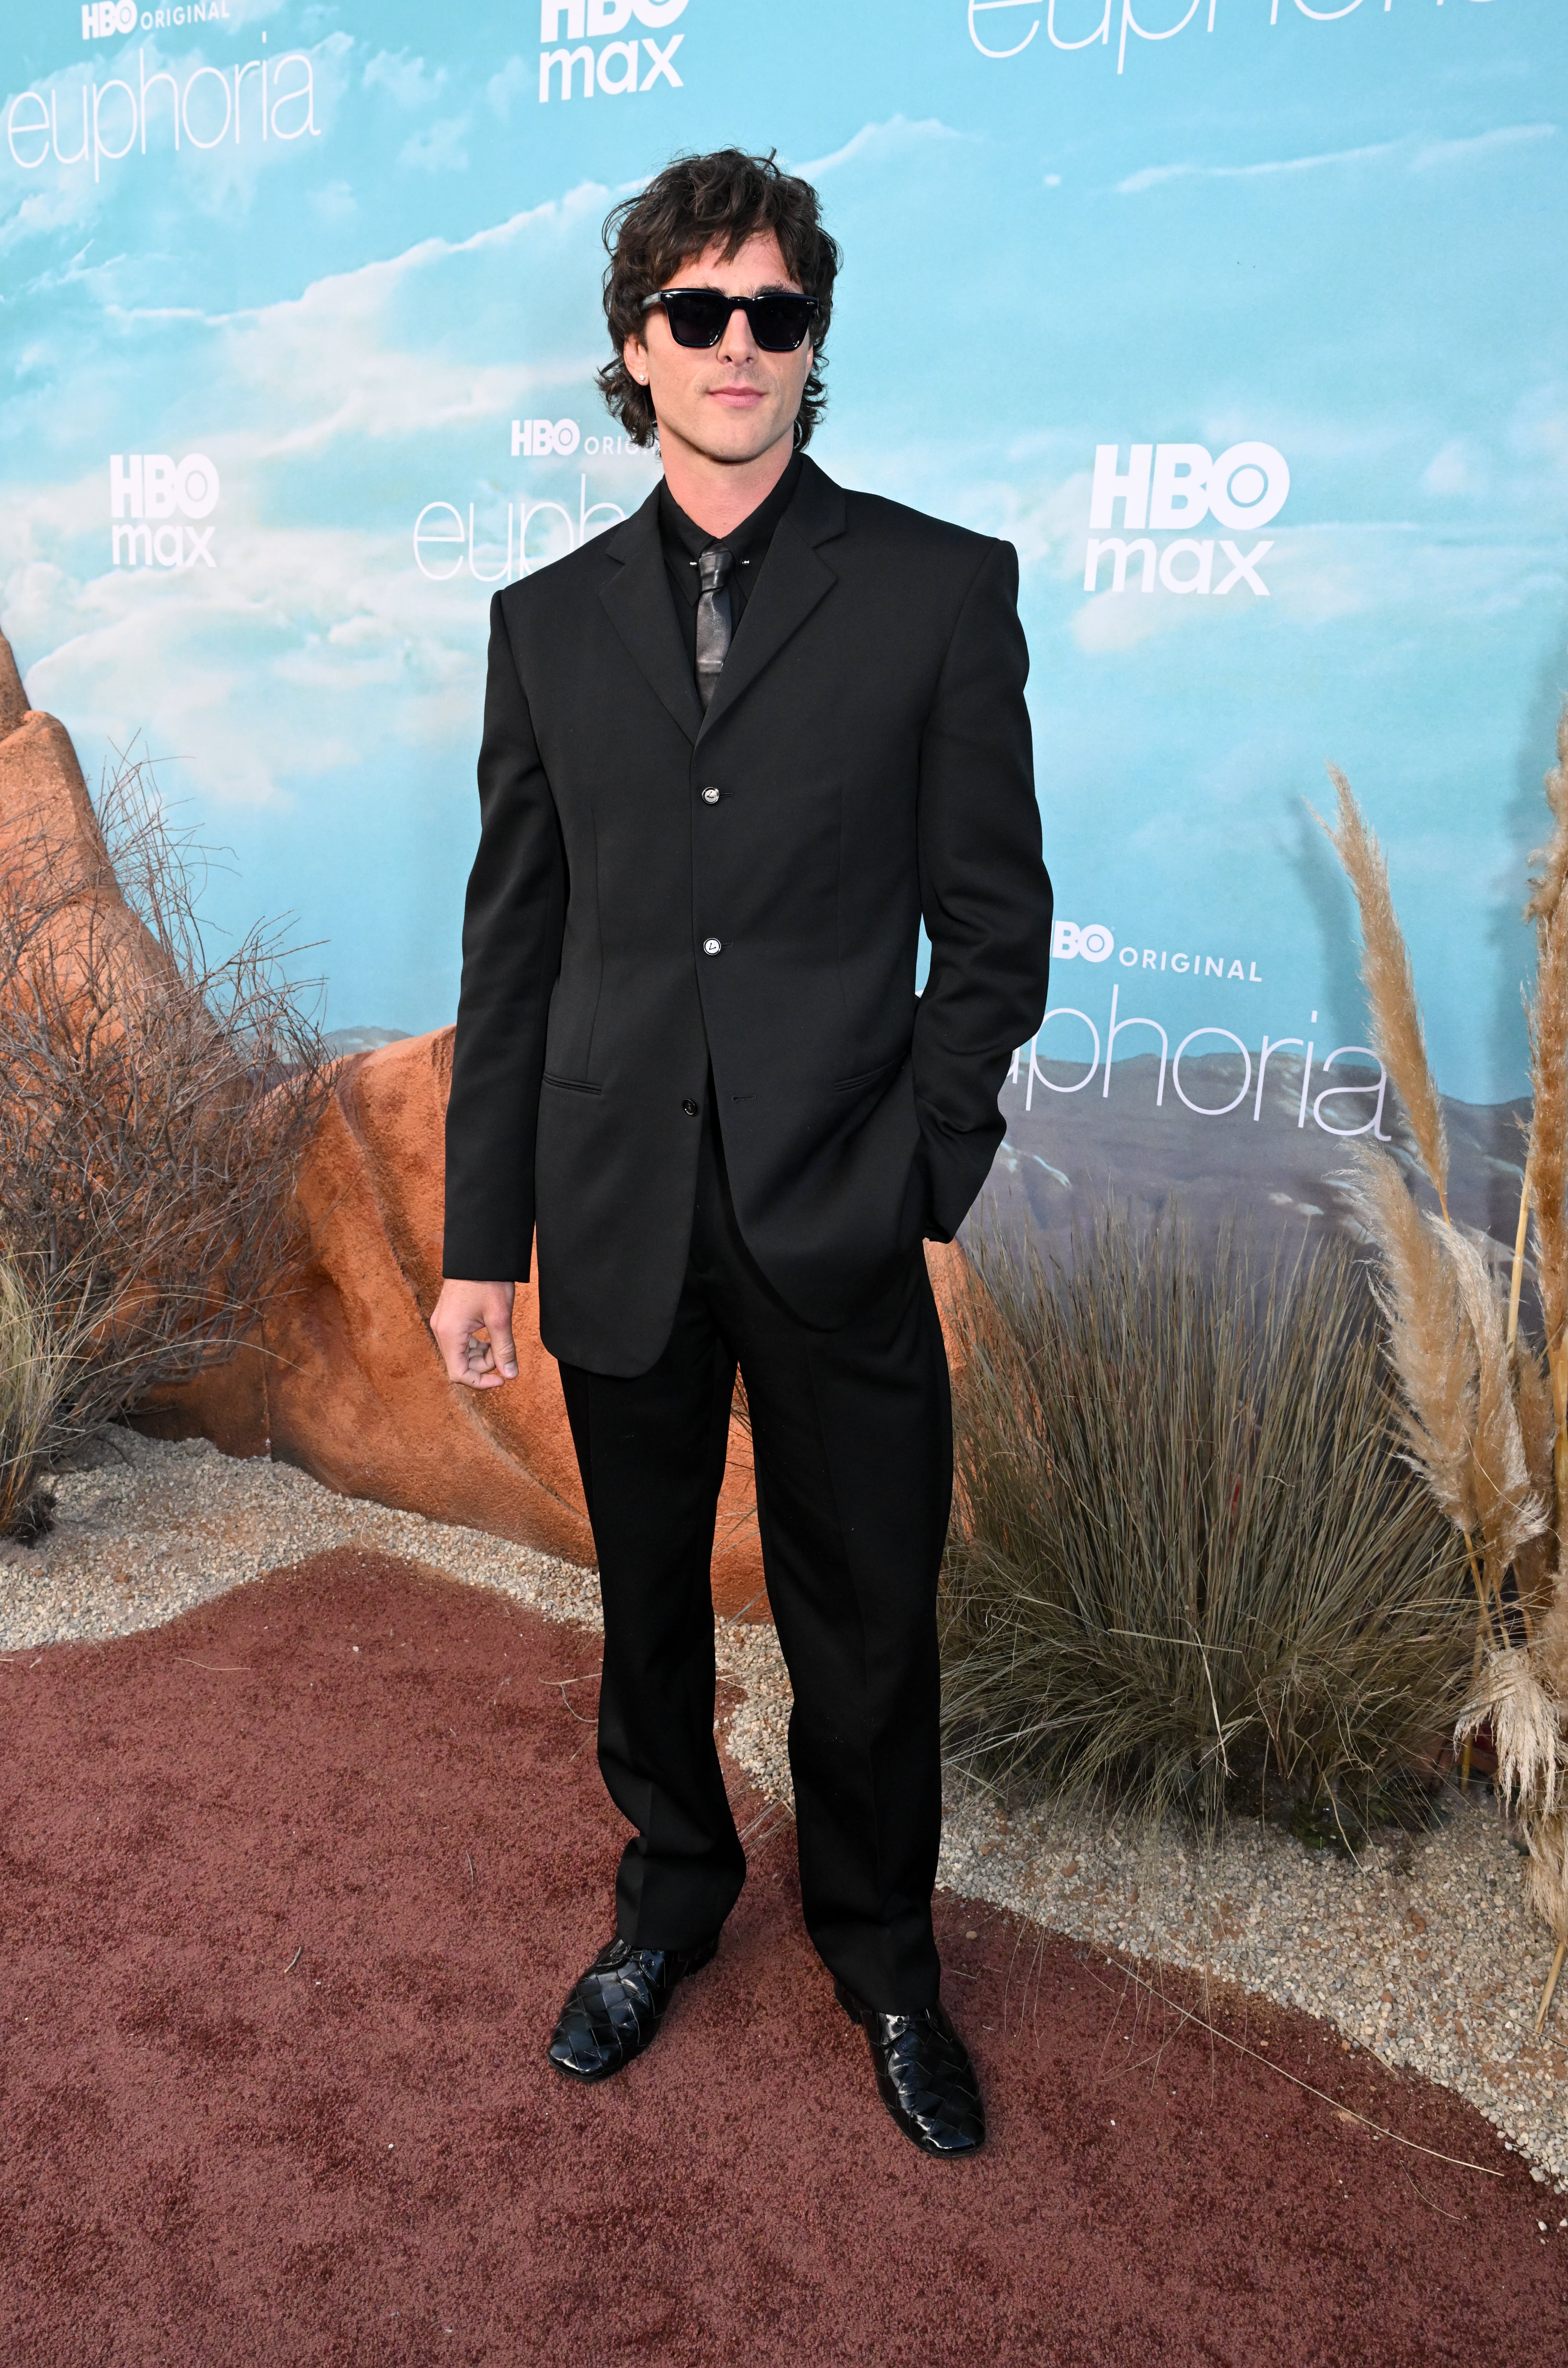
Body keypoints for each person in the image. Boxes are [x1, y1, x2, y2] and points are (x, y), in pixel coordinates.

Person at [430, 149, 1052, 2159]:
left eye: (772, 312)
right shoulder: (541, 625)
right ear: (636, 347)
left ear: (812, 344)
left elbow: (998, 927)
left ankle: (884, 1954)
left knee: (866, 1612)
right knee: (647, 1605)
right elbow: (512, 949)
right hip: (614, 1209)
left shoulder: (945, 591)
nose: (735, 347)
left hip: (840, 1212)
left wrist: (918, 1173)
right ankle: (668, 1900)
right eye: (696, 313)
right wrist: (478, 1240)